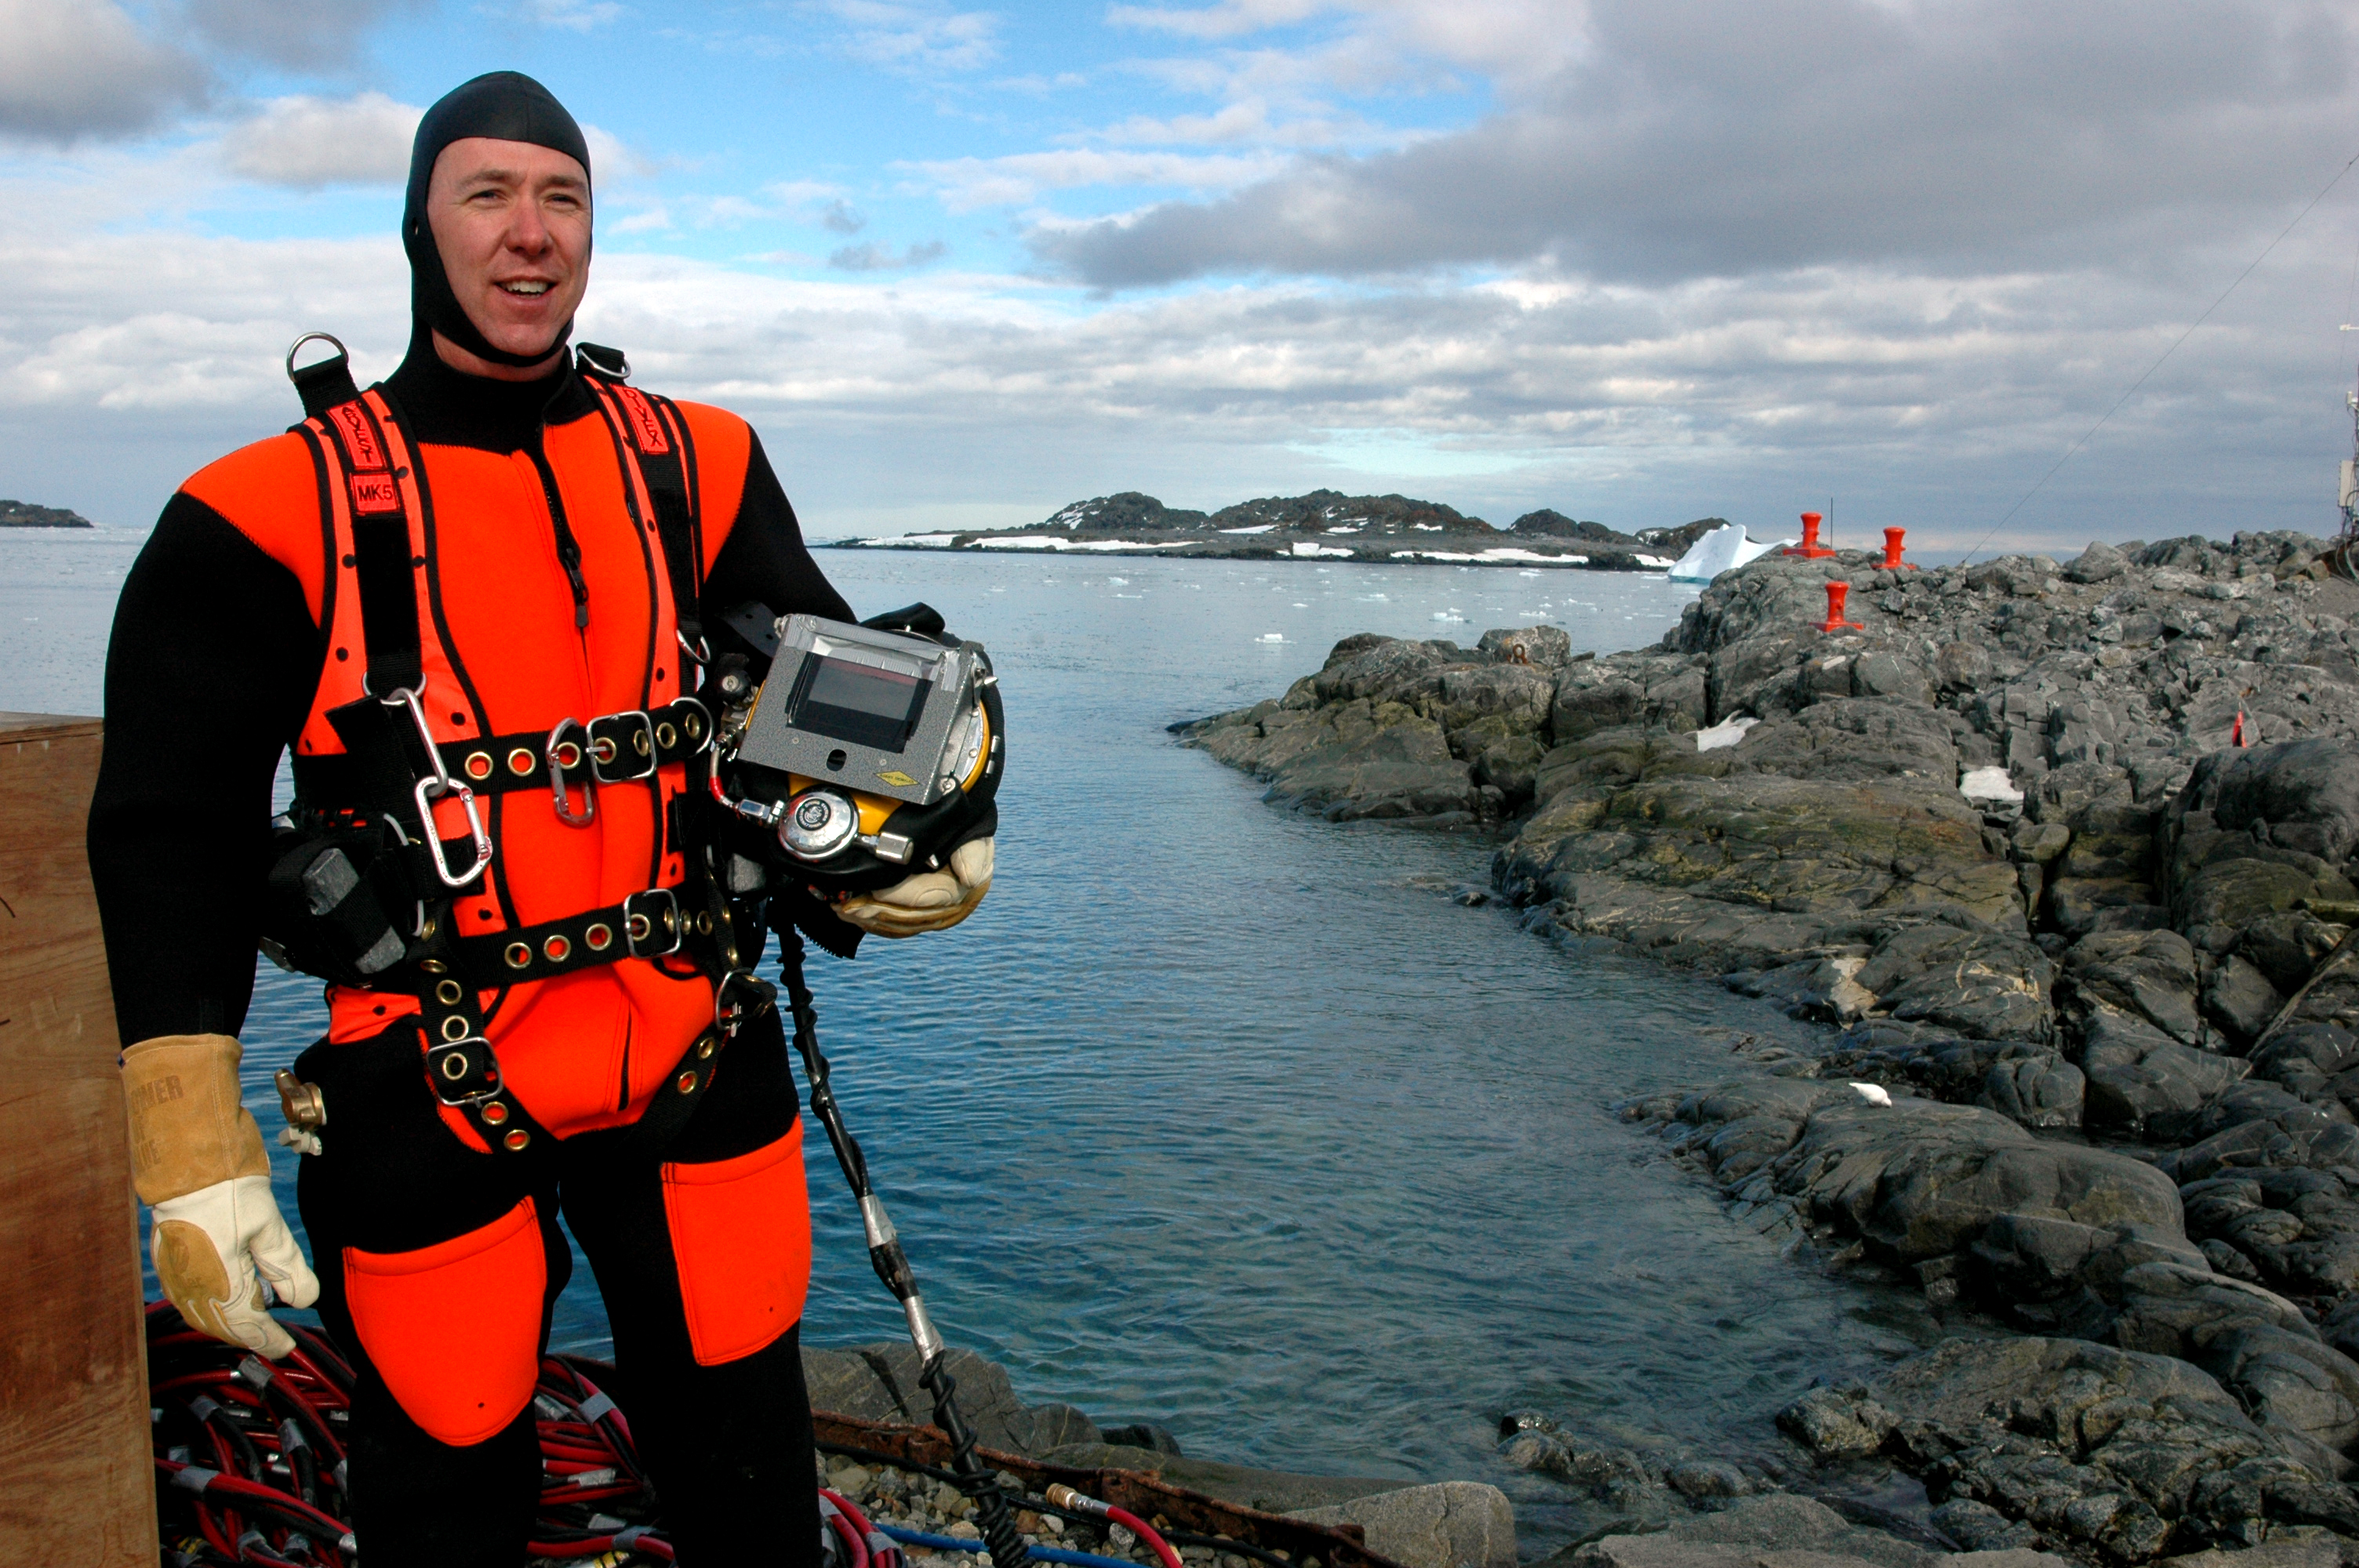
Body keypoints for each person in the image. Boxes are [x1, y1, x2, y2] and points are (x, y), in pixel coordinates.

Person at [87, 71, 991, 1566]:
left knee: (748, 1474)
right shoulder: (261, 509)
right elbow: (165, 822)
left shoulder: (693, 459)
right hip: (429, 1072)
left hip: (689, 1043)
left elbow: (824, 694)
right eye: (488, 197)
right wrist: (193, 1138)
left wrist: (911, 850)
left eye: (561, 199)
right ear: (419, 231)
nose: (530, 236)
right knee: (443, 1486)